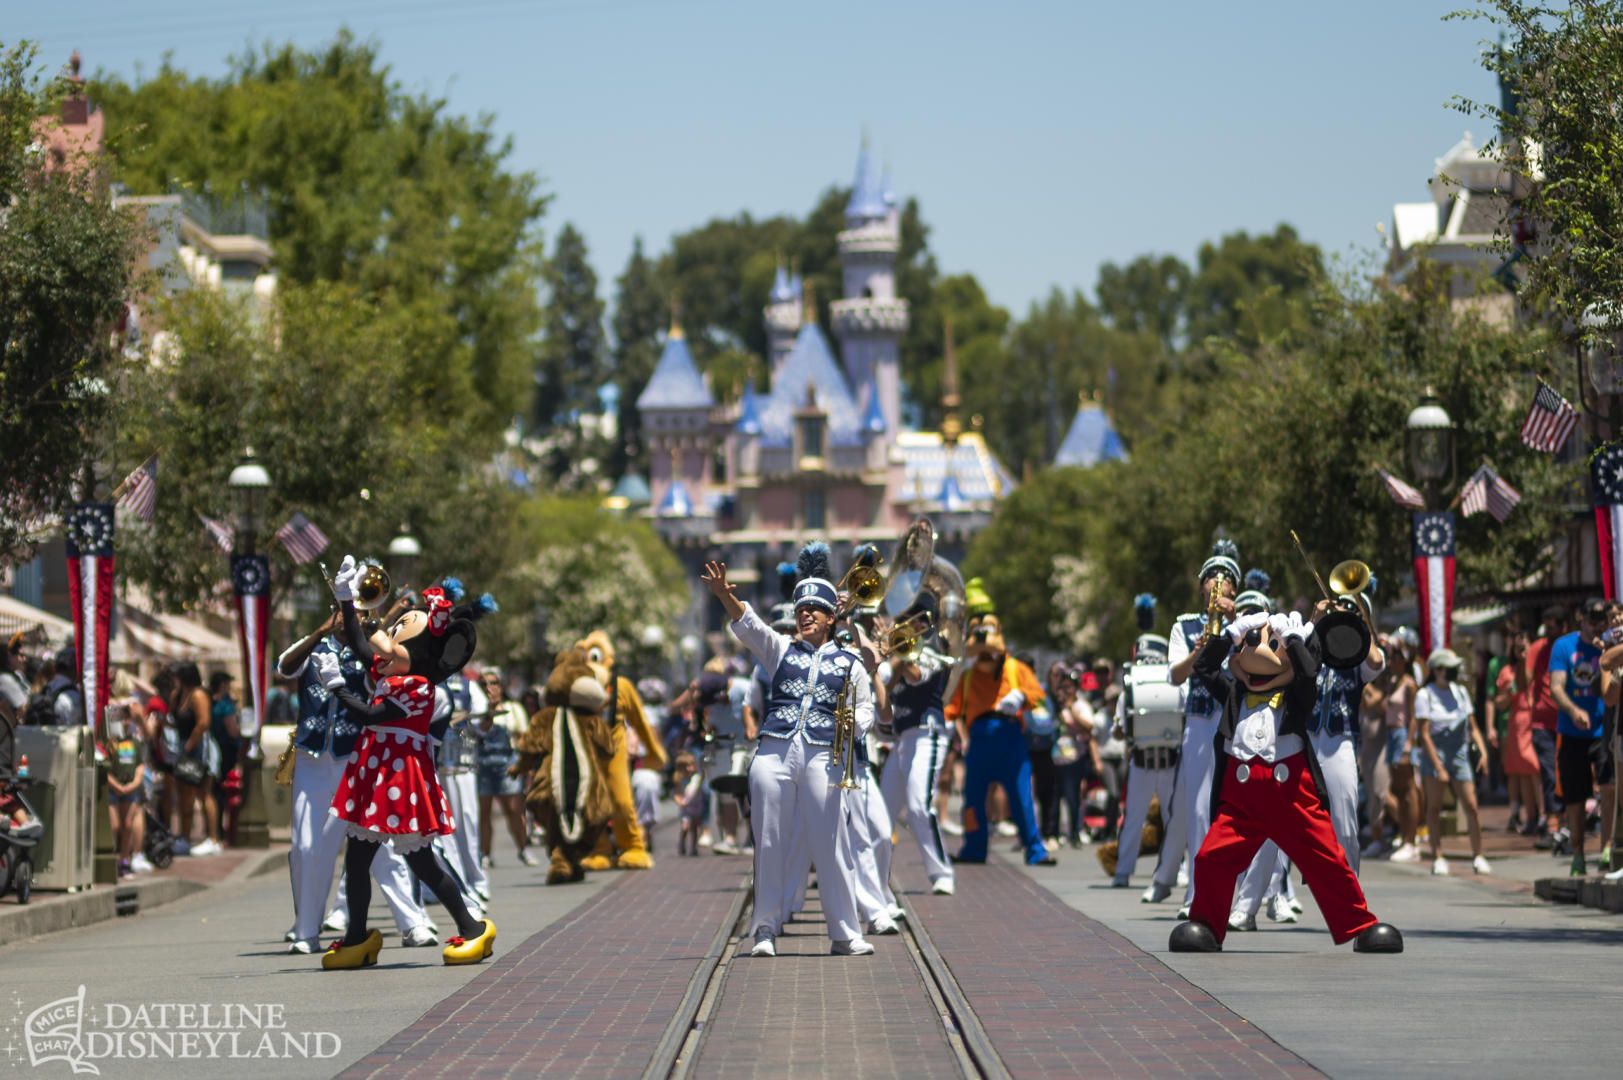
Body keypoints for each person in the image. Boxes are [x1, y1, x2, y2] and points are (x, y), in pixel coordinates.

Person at [1170, 606, 1400, 955]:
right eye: (1250, 643)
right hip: (1241, 803)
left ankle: (1360, 925)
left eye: (1271, 645)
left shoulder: (1298, 695)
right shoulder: (1234, 695)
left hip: (1294, 798)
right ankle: (1207, 924)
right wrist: (1229, 636)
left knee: (1328, 859)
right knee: (1209, 858)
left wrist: (1292, 639)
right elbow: (1203, 668)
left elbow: (1308, 673)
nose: (1259, 652)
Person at [702, 544, 878, 959]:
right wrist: (725, 594)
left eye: (815, 609)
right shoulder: (780, 649)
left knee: (831, 843)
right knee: (768, 842)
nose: (806, 615)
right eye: (801, 609)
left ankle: (845, 932)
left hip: (824, 755)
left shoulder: (850, 663)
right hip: (775, 751)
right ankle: (763, 929)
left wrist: (856, 725)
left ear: (832, 618)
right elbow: (750, 625)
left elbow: (866, 706)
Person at [278, 609, 435, 955]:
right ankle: (306, 931)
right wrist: (319, 632)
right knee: (306, 848)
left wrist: (372, 634)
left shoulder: (372, 653)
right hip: (312, 758)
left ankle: (413, 923)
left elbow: (382, 676)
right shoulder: (315, 646)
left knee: (380, 845)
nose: (355, 617)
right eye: (350, 610)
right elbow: (286, 667)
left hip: (356, 758)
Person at [1165, 540, 1240, 917]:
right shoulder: (1184, 624)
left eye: (1224, 578)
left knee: (1234, 810)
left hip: (1236, 721)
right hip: (1198, 721)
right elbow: (1174, 676)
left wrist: (1236, 619)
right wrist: (1197, 653)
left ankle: (1235, 897)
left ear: (1233, 590)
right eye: (1210, 576)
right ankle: (1196, 895)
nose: (1216, 581)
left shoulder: (1246, 620)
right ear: (1201, 588)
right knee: (1197, 810)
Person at [878, 632, 956, 896]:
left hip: (926, 733)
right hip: (901, 740)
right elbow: (882, 696)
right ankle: (876, 881)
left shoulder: (930, 654)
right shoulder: (889, 662)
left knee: (919, 807)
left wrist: (897, 652)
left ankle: (941, 873)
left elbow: (915, 675)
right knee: (880, 815)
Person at [1110, 632, 1188, 897]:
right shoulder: (1128, 694)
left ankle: (1179, 867)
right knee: (1133, 816)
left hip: (1169, 761)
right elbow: (1120, 731)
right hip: (1141, 762)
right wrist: (1123, 730)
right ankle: (1123, 870)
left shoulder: (1176, 686)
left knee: (1175, 817)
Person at [1548, 599, 1615, 876]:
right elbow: (1556, 686)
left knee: (1609, 787)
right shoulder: (1564, 647)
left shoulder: (1609, 647)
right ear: (1581, 619)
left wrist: (1607, 652)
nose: (1597, 625)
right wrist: (1574, 710)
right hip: (1573, 732)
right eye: (1592, 620)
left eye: (1602, 620)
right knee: (1575, 797)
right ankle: (1578, 854)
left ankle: (1606, 848)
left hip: (1603, 729)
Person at [1416, 648, 1491, 875]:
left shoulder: (1460, 693)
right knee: (1435, 806)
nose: (1453, 672)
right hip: (1435, 752)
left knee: (1471, 806)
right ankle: (1438, 855)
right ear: (1437, 670)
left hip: (1458, 751)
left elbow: (1473, 726)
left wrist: (1484, 752)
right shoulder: (1425, 695)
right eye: (1449, 668)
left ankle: (1478, 855)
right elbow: (1424, 734)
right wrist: (1438, 766)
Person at [475, 668, 536, 868]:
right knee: (485, 812)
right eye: (484, 684)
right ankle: (485, 853)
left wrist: (526, 767)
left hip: (507, 764)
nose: (489, 688)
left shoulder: (514, 708)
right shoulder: (477, 710)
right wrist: (489, 710)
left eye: (493, 683)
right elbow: (480, 730)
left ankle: (523, 848)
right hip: (483, 765)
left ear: (501, 686)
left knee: (513, 809)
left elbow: (524, 738)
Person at [1376, 636, 1423, 862]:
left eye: (1394, 658)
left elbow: (1414, 718)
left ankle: (1411, 841)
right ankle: (1405, 836)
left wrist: (1408, 745)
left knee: (1408, 789)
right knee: (1398, 788)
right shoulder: (1394, 682)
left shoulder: (1409, 684)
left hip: (1403, 734)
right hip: (1391, 734)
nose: (1391, 661)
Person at [1527, 606, 1571, 848]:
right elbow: (1524, 680)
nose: (1548, 632)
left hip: (1567, 720)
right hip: (1542, 722)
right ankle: (1552, 825)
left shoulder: (1570, 646)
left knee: (1566, 771)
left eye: (1552, 627)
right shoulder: (1538, 648)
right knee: (1548, 772)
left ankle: (1569, 824)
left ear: (1564, 626)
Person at [1493, 626, 1543, 837]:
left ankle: (1543, 814)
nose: (1520, 651)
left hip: (1536, 719)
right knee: (1523, 770)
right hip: (1517, 722)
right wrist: (1511, 690)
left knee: (1535, 768)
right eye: (1517, 648)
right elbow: (1499, 702)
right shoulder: (1507, 671)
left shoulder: (1540, 665)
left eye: (1524, 646)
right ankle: (1531, 816)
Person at [169, 663, 222, 857]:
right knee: (183, 794)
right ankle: (184, 837)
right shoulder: (177, 695)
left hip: (198, 746)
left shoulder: (198, 695)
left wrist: (189, 746)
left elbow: (203, 723)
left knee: (203, 792)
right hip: (182, 746)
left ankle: (213, 838)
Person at [106, 702, 148, 877]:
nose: (124, 722)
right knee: (114, 825)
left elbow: (139, 765)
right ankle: (113, 858)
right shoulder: (110, 743)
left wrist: (135, 782)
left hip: (130, 789)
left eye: (127, 719)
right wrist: (115, 785)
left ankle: (125, 860)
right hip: (114, 789)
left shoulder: (134, 742)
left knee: (128, 825)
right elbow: (105, 768)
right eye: (120, 719)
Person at [671, 751, 704, 855]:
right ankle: (682, 843)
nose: (689, 769)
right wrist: (680, 802)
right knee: (685, 827)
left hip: (696, 807)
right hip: (686, 808)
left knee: (694, 828)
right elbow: (676, 793)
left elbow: (703, 775)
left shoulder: (696, 779)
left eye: (691, 765)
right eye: (686, 766)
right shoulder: (680, 781)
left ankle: (693, 847)